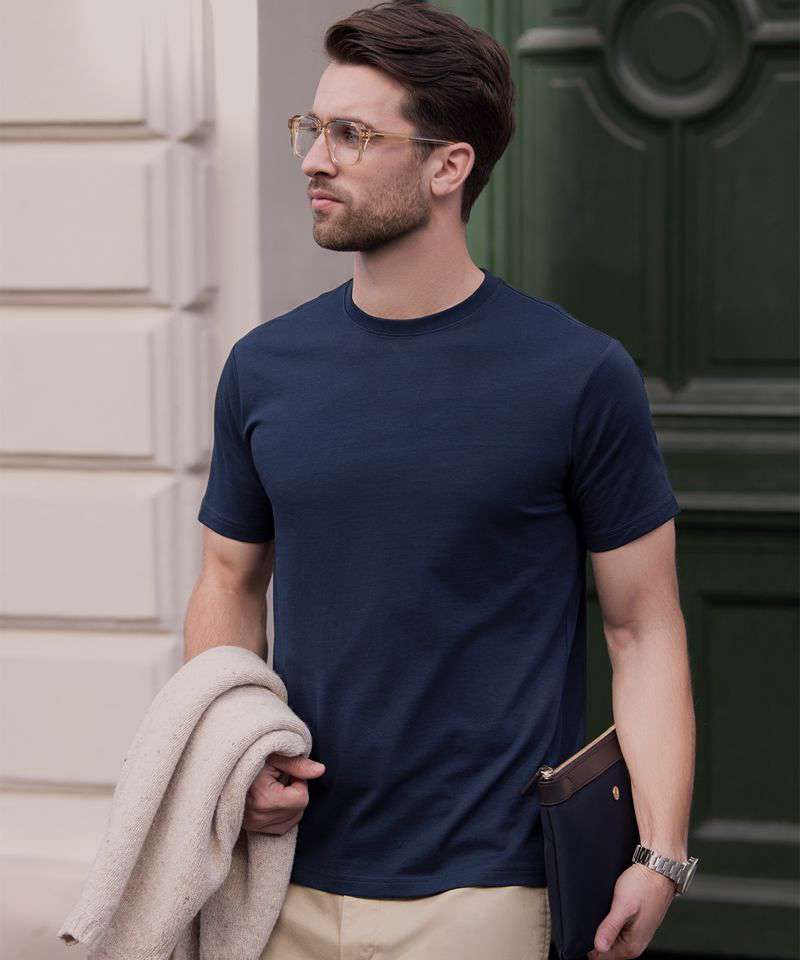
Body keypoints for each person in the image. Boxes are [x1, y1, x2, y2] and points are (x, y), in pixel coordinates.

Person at [185, 2, 696, 958]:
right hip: (281, 879)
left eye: (351, 134)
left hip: (485, 890)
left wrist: (660, 853)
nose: (314, 159)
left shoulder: (578, 374)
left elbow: (643, 627)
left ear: (448, 166)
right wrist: (228, 762)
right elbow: (228, 580)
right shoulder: (264, 368)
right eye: (312, 128)